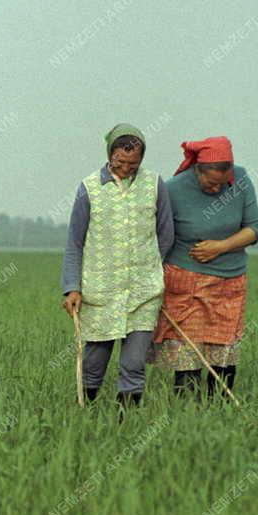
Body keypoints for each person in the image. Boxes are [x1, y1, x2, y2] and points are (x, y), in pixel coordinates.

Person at [61, 124, 174, 407]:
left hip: (143, 291)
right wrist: (71, 288)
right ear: (109, 154)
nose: (125, 169)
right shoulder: (89, 188)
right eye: (119, 162)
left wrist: (146, 265)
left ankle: (126, 420)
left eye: (132, 164)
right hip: (100, 290)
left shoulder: (155, 185)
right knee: (94, 361)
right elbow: (75, 243)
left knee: (134, 363)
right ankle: (86, 412)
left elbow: (166, 235)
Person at [148, 137, 258, 398]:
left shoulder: (241, 179)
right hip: (185, 281)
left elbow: (256, 228)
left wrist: (221, 246)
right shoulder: (173, 189)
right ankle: (187, 411)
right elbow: (158, 234)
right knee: (188, 353)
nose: (216, 189)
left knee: (223, 349)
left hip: (230, 282)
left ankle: (218, 407)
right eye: (211, 183)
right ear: (197, 170)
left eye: (222, 184)